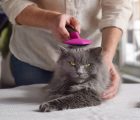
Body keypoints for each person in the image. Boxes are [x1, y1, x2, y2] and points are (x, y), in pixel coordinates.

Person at [1, 0, 132, 99]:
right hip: (35, 56)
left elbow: (118, 7)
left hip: (91, 59)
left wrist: (106, 56)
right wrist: (49, 19)